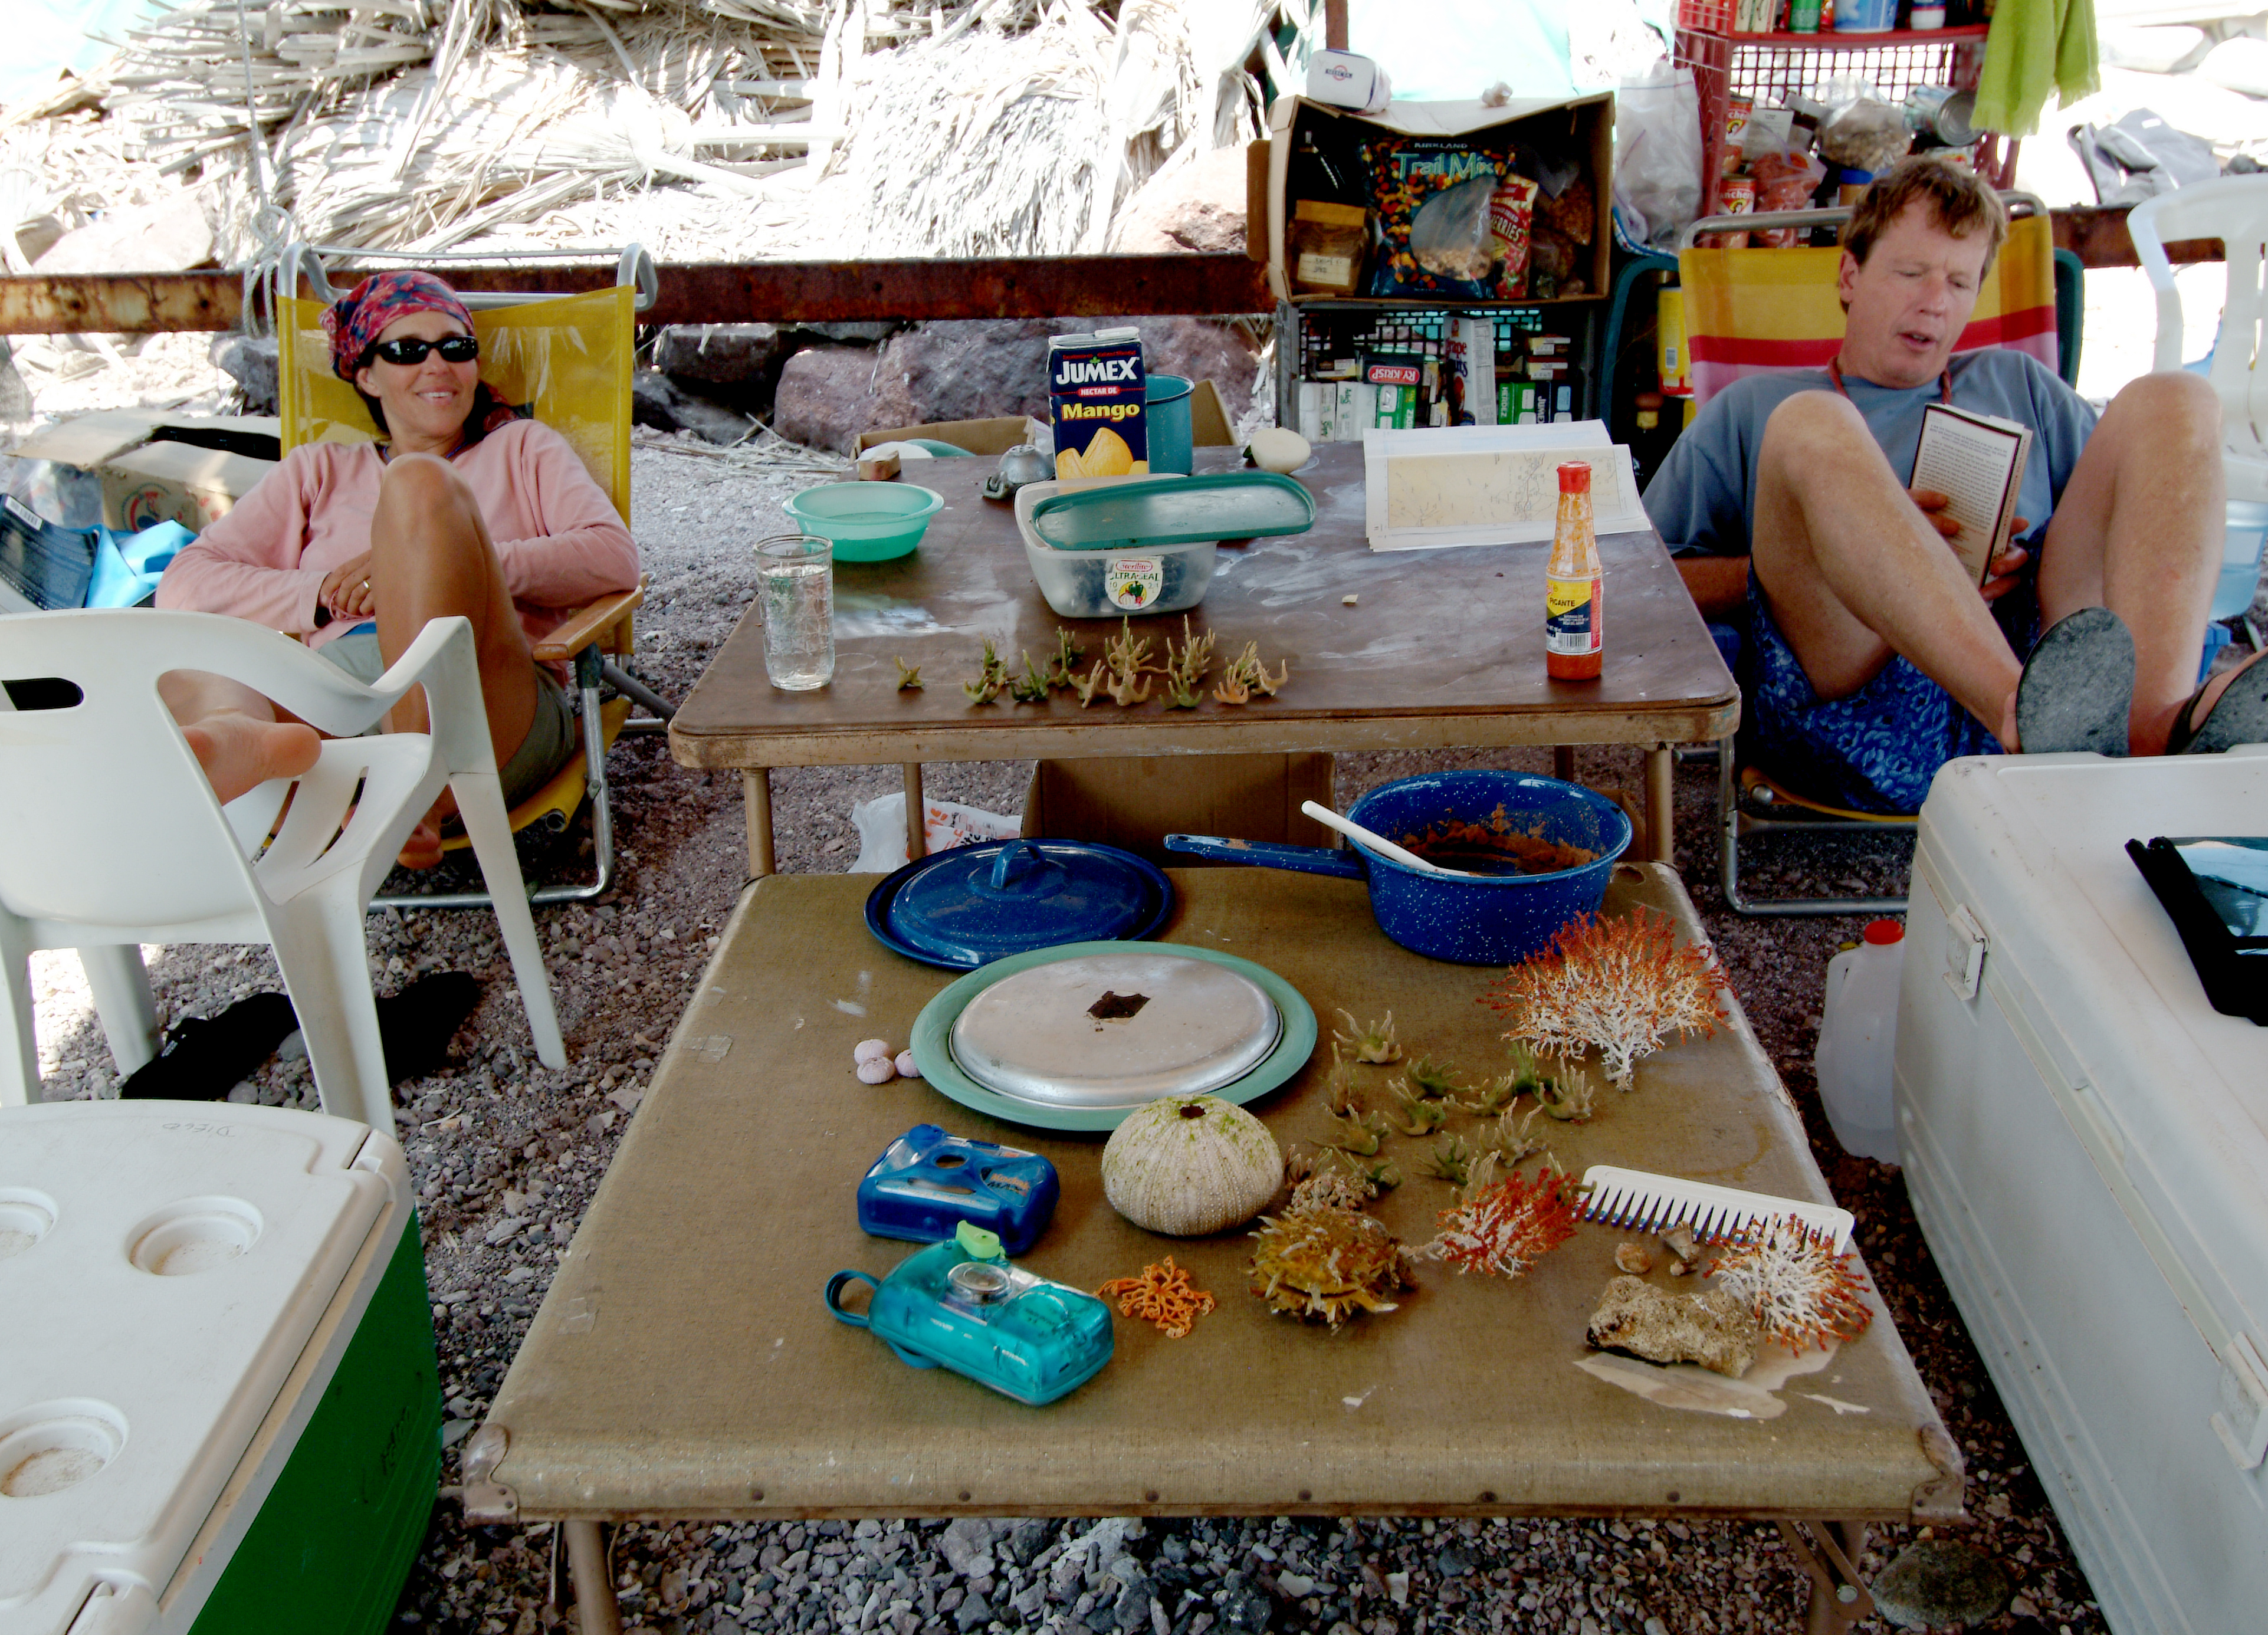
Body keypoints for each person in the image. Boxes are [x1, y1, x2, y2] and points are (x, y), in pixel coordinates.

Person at [1645, 155, 2268, 815]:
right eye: (1910, 273)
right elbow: (1635, 582)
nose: (1934, 303)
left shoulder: (2016, 382)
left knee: (2175, 398)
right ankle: (2023, 718)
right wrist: (1853, 557)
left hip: (2046, 672)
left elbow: (2132, 522)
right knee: (1811, 424)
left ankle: (2148, 725)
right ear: (1850, 274)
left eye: (1959, 282)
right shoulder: (1753, 407)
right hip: (1856, 707)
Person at [157, 270, 639, 864]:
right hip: (343, 689)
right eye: (408, 351)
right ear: (365, 375)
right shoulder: (318, 470)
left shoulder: (522, 447)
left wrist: (449, 563)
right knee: (189, 670)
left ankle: (416, 784)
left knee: (418, 484)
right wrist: (322, 593)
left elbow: (614, 558)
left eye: (456, 348)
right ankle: (237, 738)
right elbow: (182, 584)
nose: (438, 365)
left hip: (490, 701)